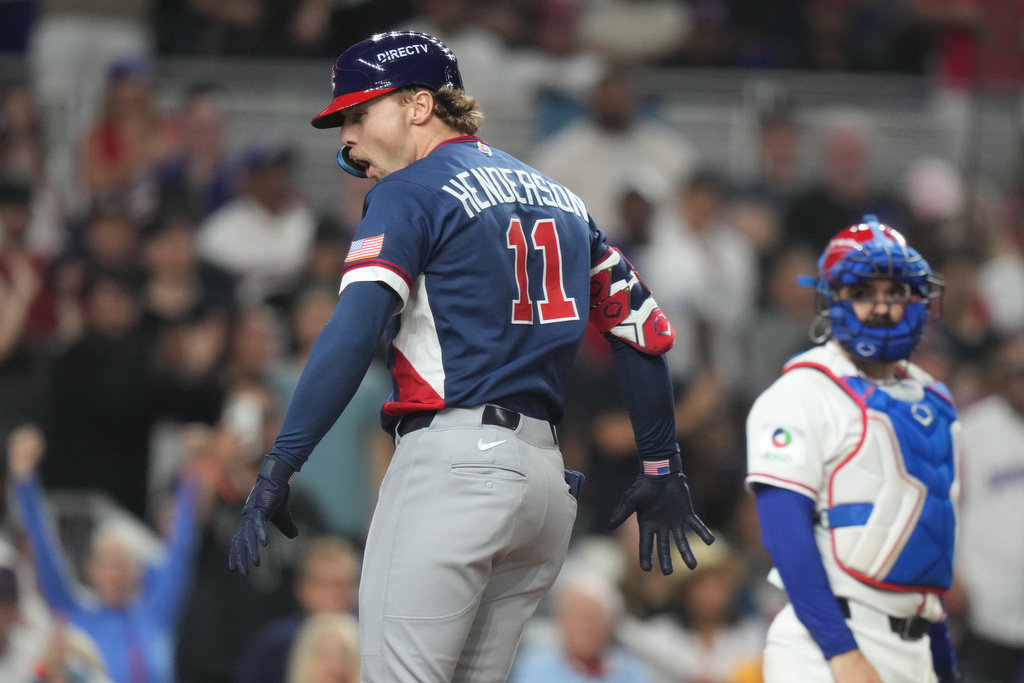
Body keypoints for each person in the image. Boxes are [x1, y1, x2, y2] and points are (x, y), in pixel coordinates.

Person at [226, 30, 713, 683]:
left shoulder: (410, 191)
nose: (347, 139)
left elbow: (353, 329)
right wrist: (660, 462)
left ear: (420, 105)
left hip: (454, 468)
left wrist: (281, 462)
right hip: (542, 483)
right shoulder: (563, 198)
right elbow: (641, 329)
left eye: (358, 113)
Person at [744, 215, 962, 683]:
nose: (881, 307)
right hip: (826, 645)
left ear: (919, 300)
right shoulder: (800, 392)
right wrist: (841, 653)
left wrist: (943, 666)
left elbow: (928, 542)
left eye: (896, 291)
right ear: (833, 299)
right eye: (863, 293)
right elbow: (784, 533)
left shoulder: (937, 403)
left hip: (917, 649)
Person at [8, 423, 202, 683]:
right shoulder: (74, 614)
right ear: (91, 570)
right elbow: (45, 555)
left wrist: (190, 473)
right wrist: (25, 482)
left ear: (137, 573)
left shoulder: (157, 614)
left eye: (121, 565)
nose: (114, 574)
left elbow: (181, 549)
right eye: (107, 564)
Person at [954, 333, 1024, 683]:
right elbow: (940, 511)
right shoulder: (970, 431)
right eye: (1015, 372)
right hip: (987, 610)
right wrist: (949, 574)